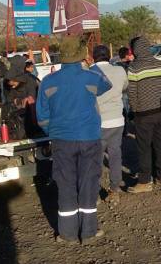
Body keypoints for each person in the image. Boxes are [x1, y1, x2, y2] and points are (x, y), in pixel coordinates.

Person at [36, 38, 111, 244]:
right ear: (82, 55)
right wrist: (90, 64)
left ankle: (67, 234)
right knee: (89, 183)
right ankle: (88, 232)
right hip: (89, 138)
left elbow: (42, 116)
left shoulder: (48, 82)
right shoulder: (91, 77)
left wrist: (54, 131)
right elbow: (106, 84)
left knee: (65, 184)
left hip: (61, 140)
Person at [126, 36, 161, 193]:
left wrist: (134, 111)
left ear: (136, 50)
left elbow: (131, 93)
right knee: (159, 145)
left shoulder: (134, 67)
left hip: (143, 114)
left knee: (144, 148)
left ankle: (145, 180)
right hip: (159, 112)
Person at [91, 45, 129, 196]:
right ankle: (115, 187)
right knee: (115, 154)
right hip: (117, 119)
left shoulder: (89, 73)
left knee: (96, 158)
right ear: (109, 56)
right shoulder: (120, 70)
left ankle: (95, 190)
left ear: (93, 57)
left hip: (97, 121)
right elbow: (125, 87)